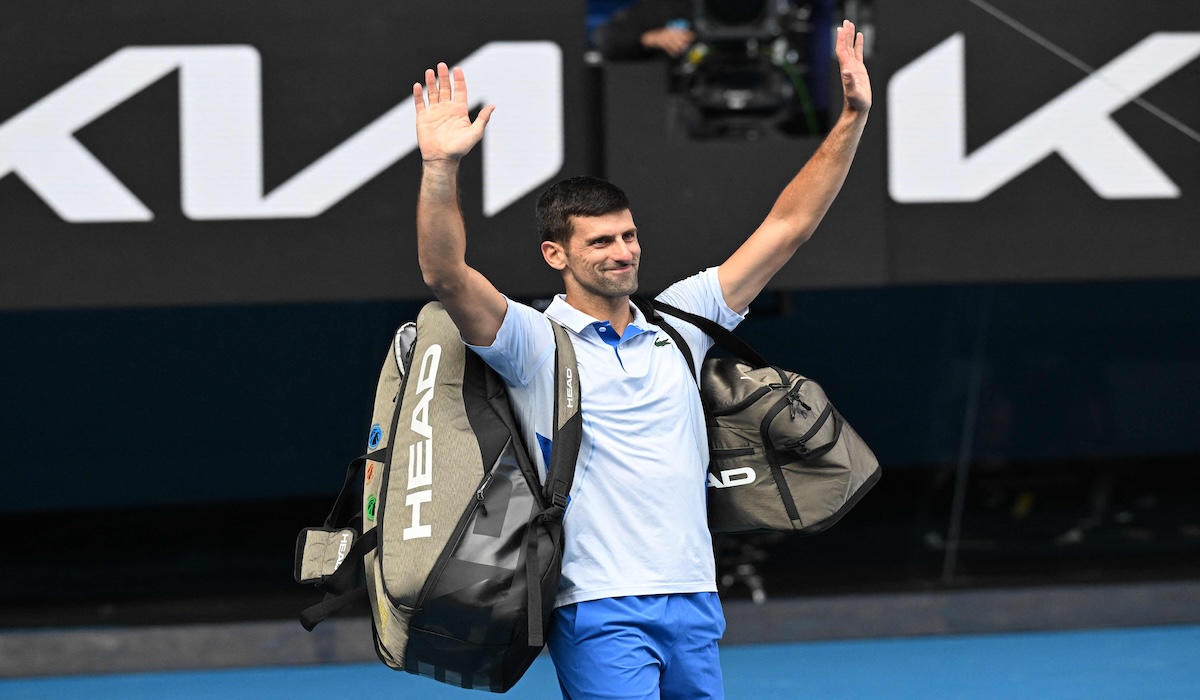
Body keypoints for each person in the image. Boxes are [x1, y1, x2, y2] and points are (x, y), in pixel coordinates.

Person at [412, 18, 871, 699]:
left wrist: (853, 118)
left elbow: (788, 227)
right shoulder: (536, 343)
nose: (622, 251)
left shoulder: (682, 320)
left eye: (627, 236)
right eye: (600, 242)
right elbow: (446, 275)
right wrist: (440, 168)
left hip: (693, 598)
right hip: (597, 604)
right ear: (556, 255)